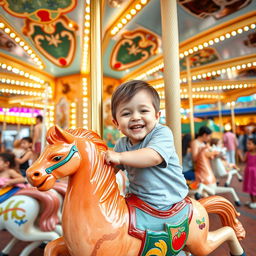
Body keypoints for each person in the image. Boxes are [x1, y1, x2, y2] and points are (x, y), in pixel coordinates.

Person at [104, 80, 188, 210]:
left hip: (167, 201)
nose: (135, 117)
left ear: (157, 116)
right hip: (137, 200)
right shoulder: (122, 144)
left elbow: (153, 157)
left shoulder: (162, 133)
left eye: (143, 111)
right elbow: (110, 171)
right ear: (116, 123)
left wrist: (119, 157)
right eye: (126, 113)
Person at [240, 137, 256, 209]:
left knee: (254, 187)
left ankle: (254, 202)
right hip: (248, 173)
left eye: (249, 144)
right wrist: (240, 154)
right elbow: (243, 160)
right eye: (247, 143)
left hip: (254, 173)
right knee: (250, 186)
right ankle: (252, 201)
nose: (247, 145)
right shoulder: (247, 153)